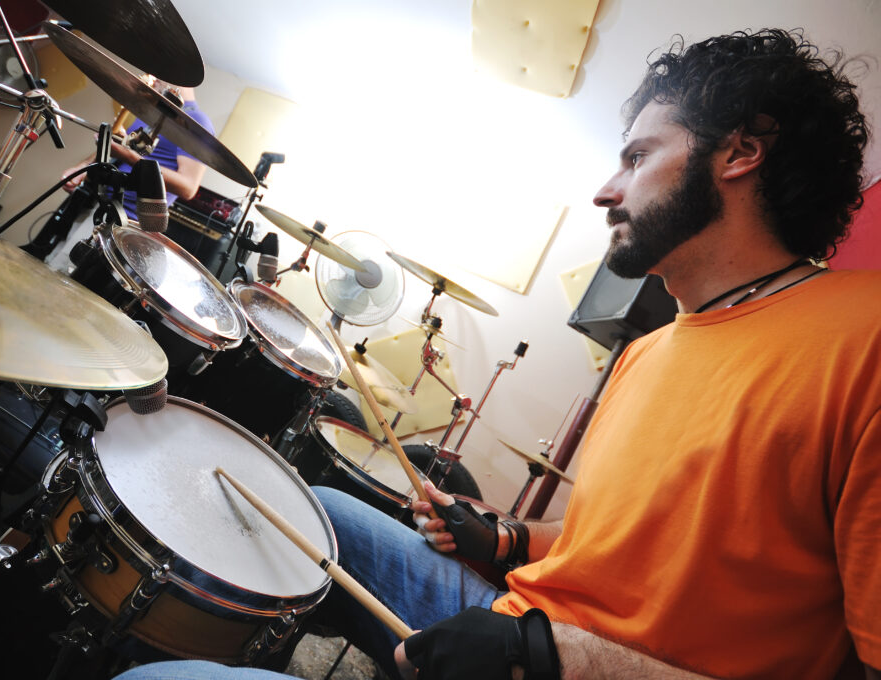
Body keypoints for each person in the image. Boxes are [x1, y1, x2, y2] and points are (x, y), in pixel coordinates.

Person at [112, 28, 880, 680]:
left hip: (572, 662)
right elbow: (603, 544)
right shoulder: (652, 349)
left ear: (740, 153)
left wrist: (553, 659)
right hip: (527, 620)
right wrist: (504, 537)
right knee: (309, 507)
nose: (607, 191)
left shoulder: (863, 341)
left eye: (638, 156)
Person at [46, 79, 210, 272]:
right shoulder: (152, 110)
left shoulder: (198, 122)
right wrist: (81, 167)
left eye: (160, 72)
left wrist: (129, 157)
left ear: (178, 76)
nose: (154, 78)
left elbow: (188, 187)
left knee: (66, 273)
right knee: (55, 264)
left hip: (127, 221)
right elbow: (120, 147)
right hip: (100, 205)